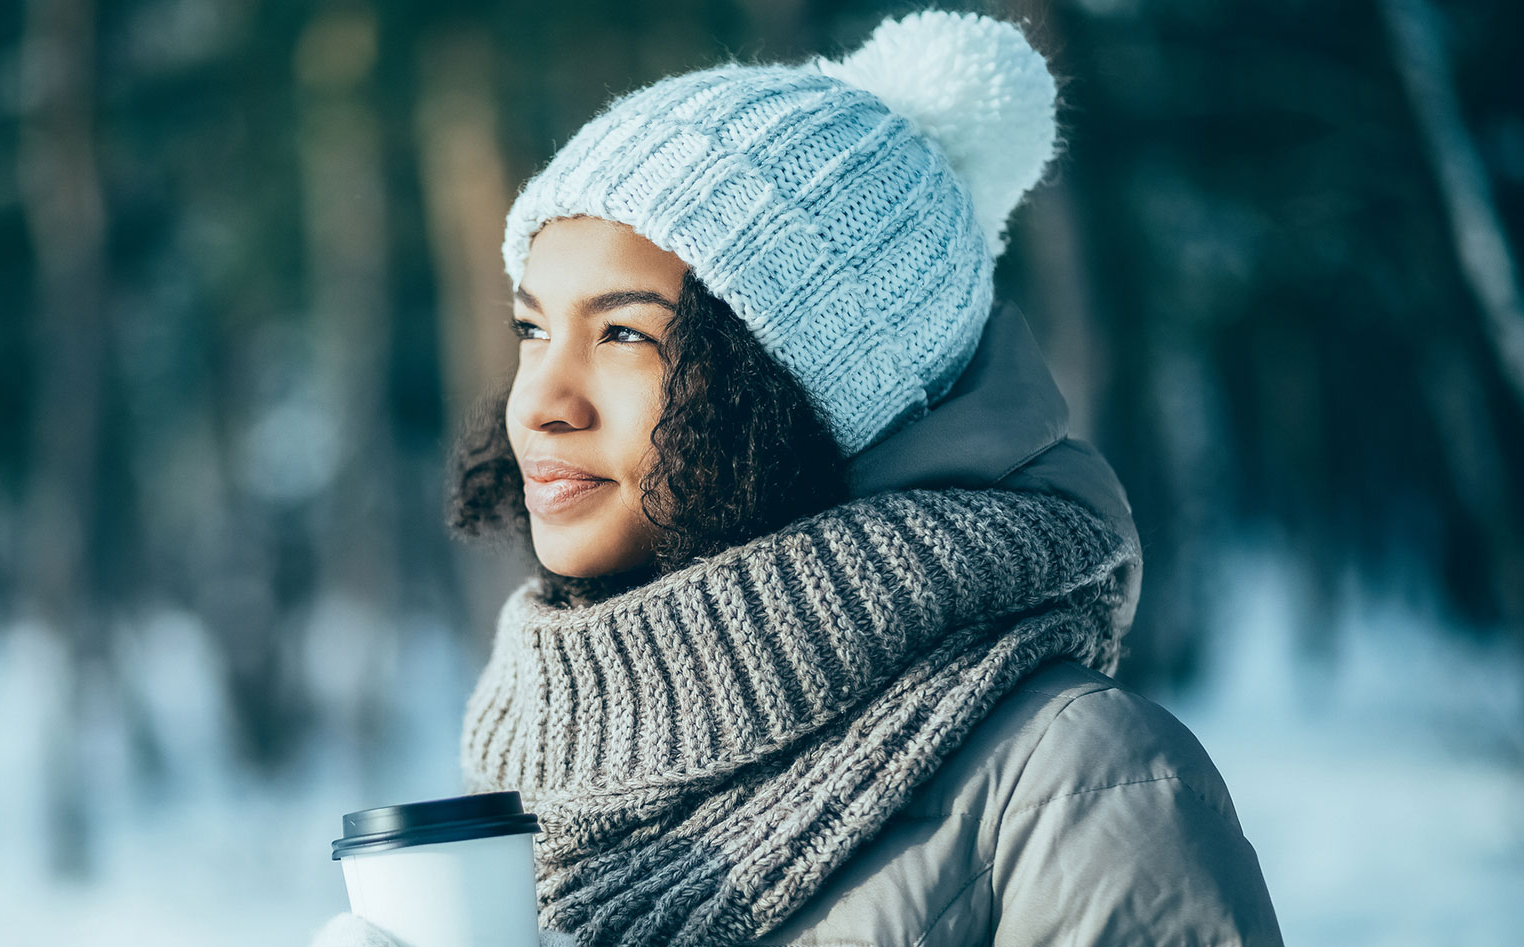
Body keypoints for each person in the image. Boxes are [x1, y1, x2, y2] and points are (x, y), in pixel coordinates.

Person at [313, 9, 1283, 946]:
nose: (538, 401)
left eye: (622, 334)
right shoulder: (537, 774)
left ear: (806, 387)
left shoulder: (1081, 783)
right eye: (533, 327)